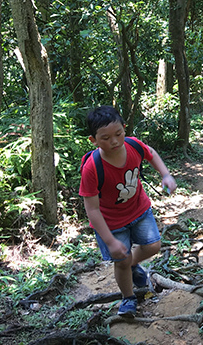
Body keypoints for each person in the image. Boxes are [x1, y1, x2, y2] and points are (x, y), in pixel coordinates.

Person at [79, 105, 177, 317]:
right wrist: (111, 242)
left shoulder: (133, 146)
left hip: (139, 209)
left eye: (118, 134)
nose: (114, 141)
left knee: (153, 245)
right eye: (105, 138)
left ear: (125, 129)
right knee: (120, 261)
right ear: (93, 140)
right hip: (111, 223)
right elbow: (92, 209)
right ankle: (128, 298)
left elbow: (150, 153)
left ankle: (130, 264)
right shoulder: (92, 167)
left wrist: (166, 175)